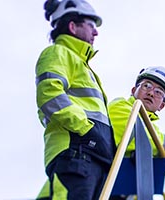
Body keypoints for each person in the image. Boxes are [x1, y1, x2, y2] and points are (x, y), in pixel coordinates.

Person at [37, 67, 165, 199]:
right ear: (133, 90)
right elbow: (150, 140)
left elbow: (157, 163)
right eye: (146, 86)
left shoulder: (149, 124)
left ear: (162, 106)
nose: (151, 92)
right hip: (73, 185)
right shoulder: (122, 108)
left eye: (158, 92)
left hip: (105, 187)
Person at [35, 0, 114, 199]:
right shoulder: (58, 53)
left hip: (91, 157)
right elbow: (50, 96)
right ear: (73, 26)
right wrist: (87, 130)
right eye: (91, 26)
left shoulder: (82, 65)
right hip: (75, 152)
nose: (95, 33)